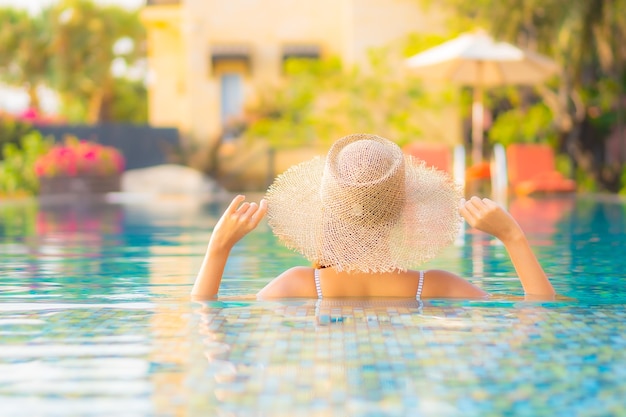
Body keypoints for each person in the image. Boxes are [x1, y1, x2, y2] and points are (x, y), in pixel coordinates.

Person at [192, 134, 555, 300]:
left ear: (324, 213)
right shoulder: (438, 286)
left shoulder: (298, 286)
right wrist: (513, 238)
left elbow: (205, 318)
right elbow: (542, 317)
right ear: (405, 211)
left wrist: (218, 250)